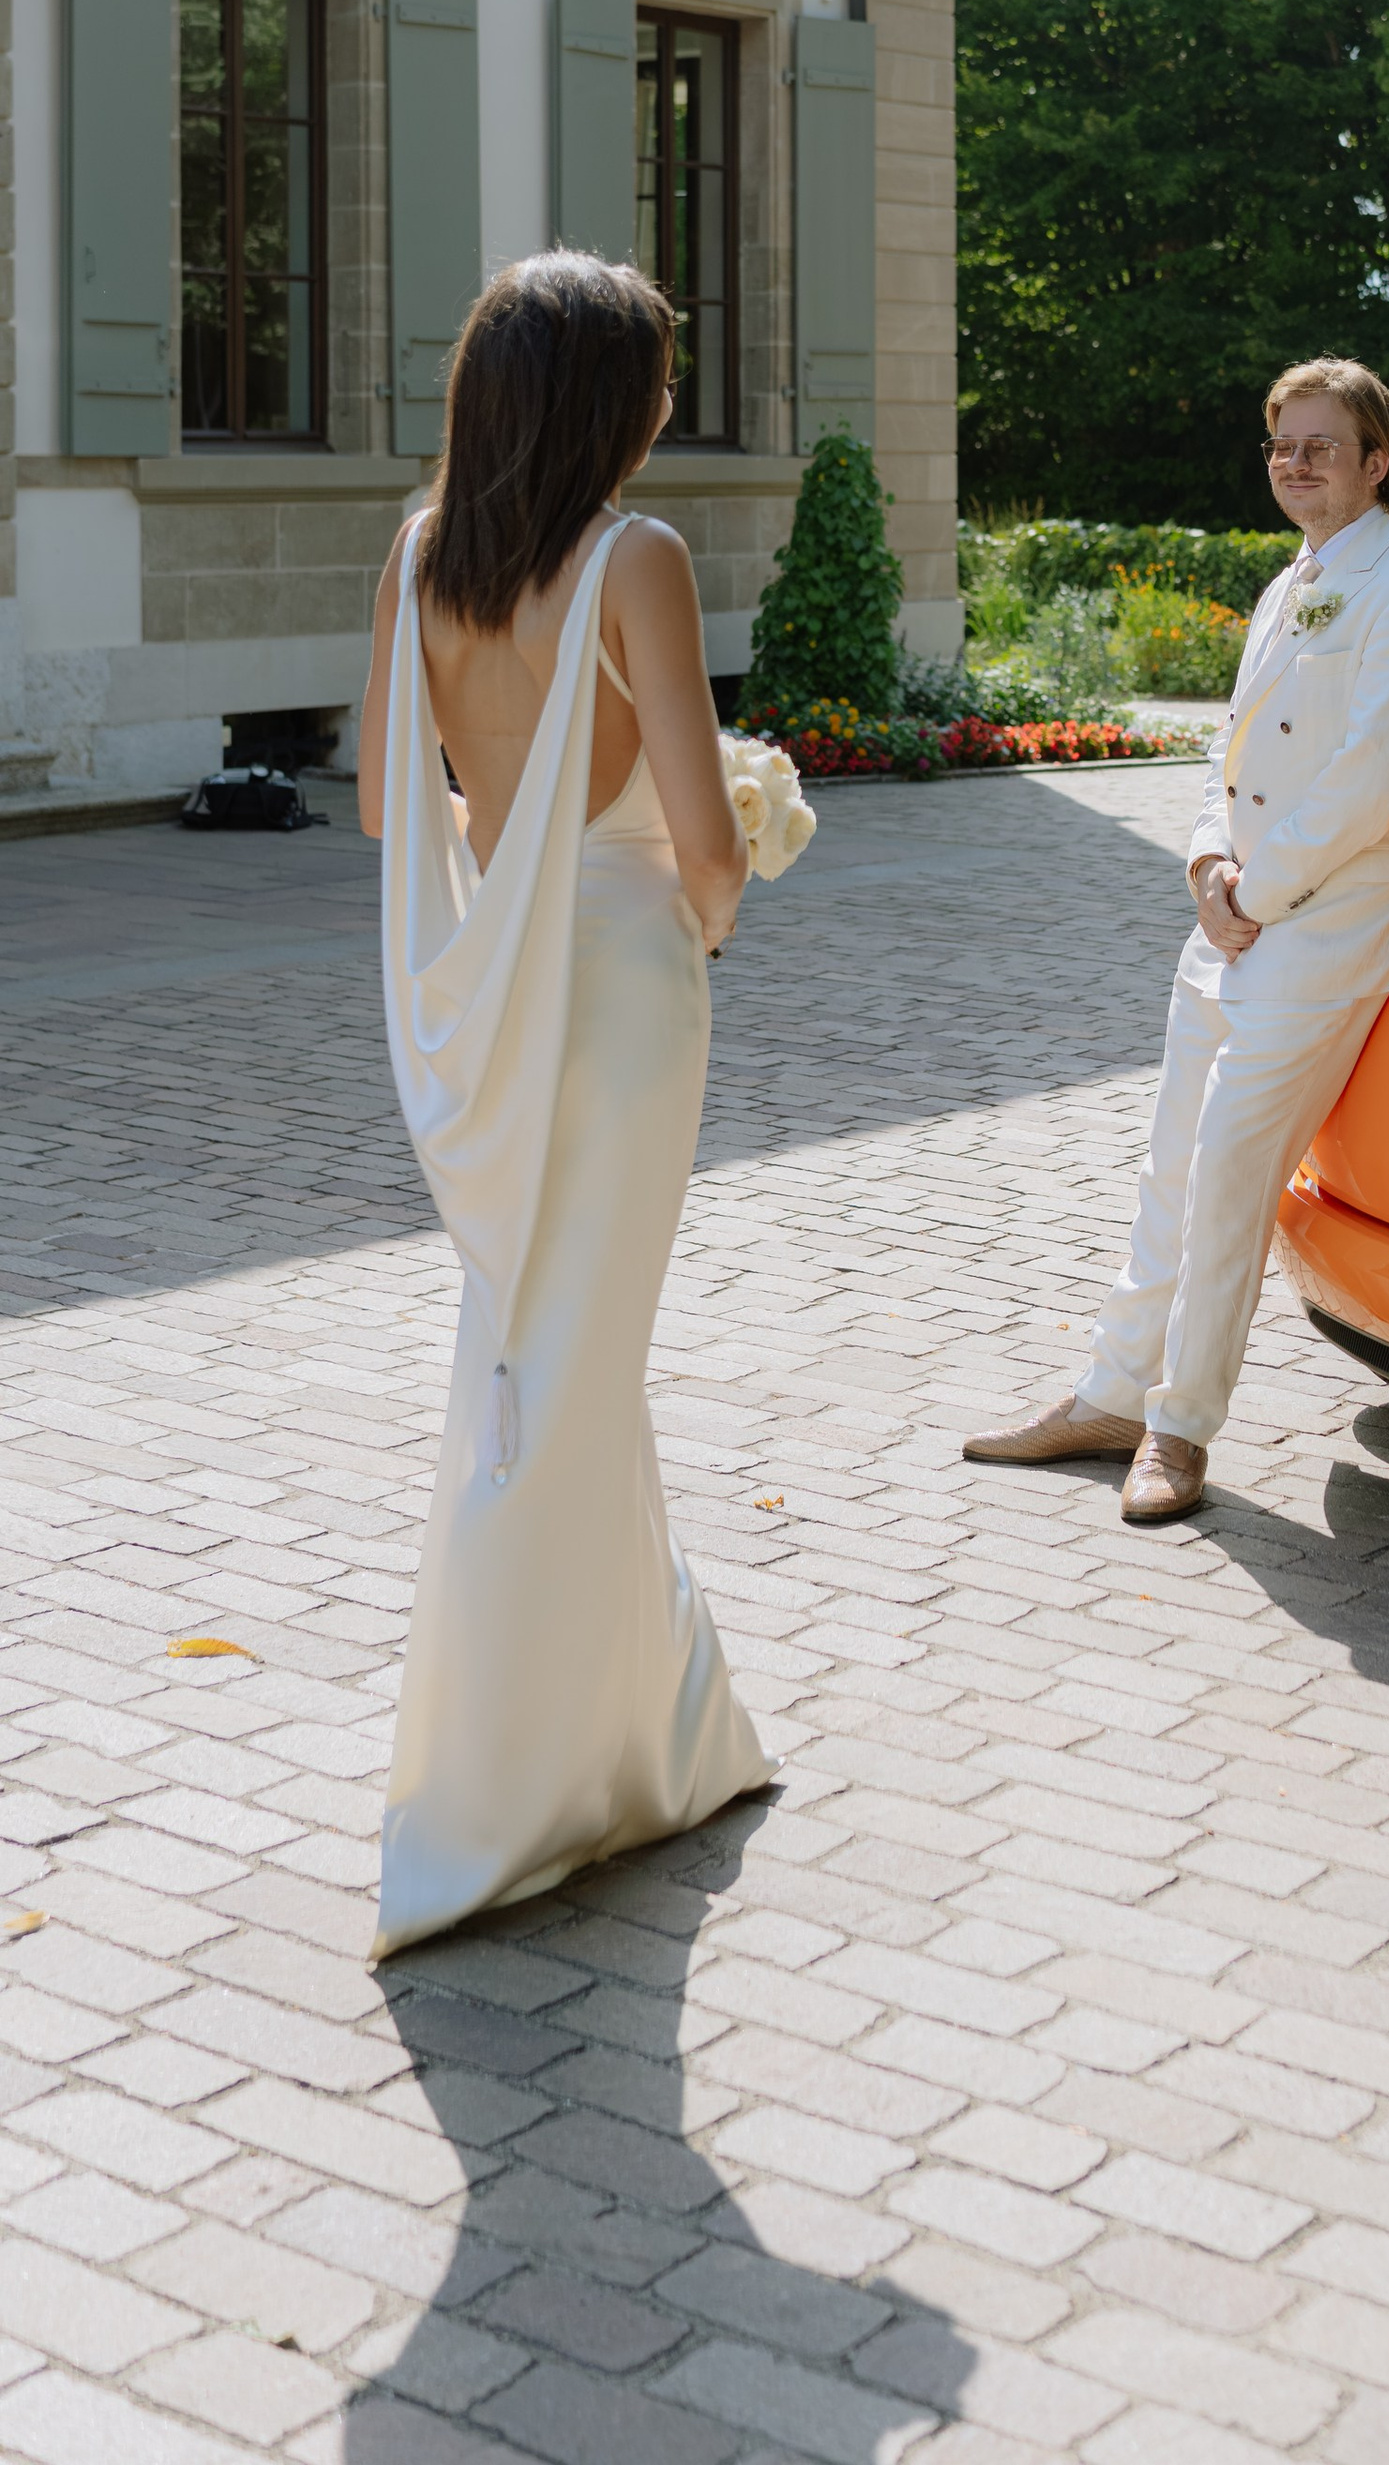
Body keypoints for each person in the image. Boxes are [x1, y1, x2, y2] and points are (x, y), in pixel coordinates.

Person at [357, 251, 771, 1960]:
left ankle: (635, 1724)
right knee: (578, 1365)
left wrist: (521, 849)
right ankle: (507, 1785)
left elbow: (398, 815)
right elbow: (711, 855)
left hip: (507, 994)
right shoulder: (639, 559)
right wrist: (733, 851)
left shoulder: (421, 553)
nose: (671, 403)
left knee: (535, 1352)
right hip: (617, 993)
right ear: (607, 396)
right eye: (660, 375)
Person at [965, 357, 1389, 1520]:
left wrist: (1256, 889)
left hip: (1327, 924)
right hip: (1234, 915)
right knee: (1169, 1171)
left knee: (1233, 1177)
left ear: (1376, 460)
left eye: (1318, 445)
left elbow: (1373, 779)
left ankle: (1179, 1430)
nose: (1293, 464)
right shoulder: (1284, 583)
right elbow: (1229, 752)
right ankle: (1108, 1393)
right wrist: (1202, 863)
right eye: (1280, 445)